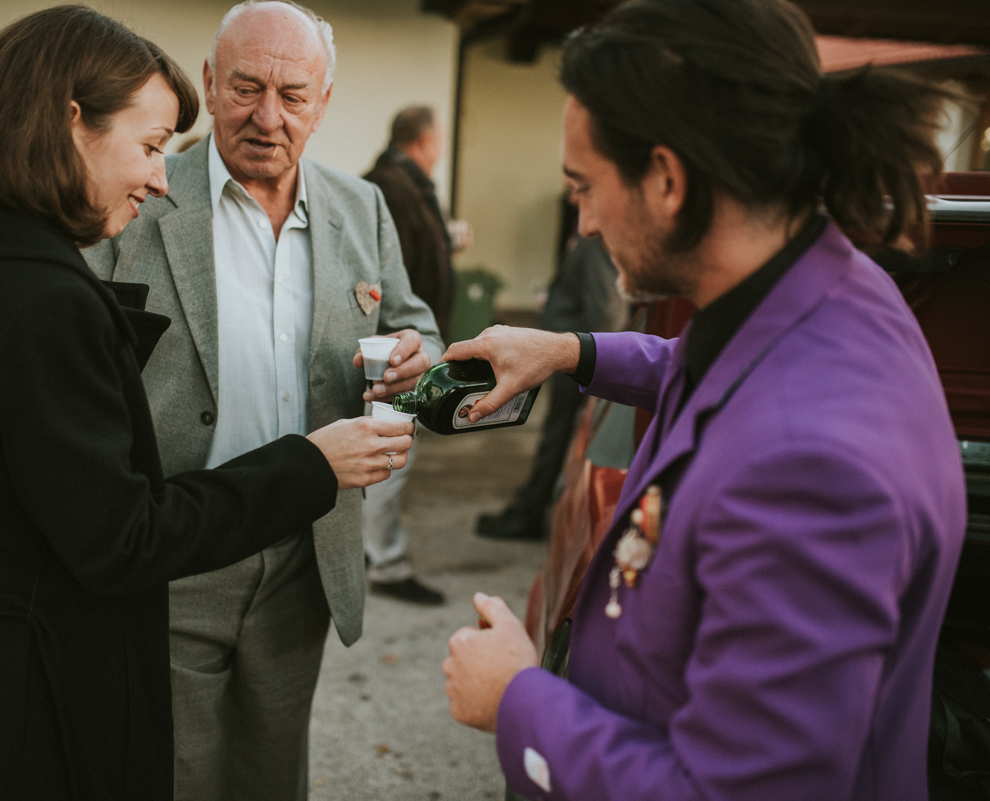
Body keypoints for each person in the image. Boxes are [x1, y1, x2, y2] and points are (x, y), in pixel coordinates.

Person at [0, 7, 412, 801]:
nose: (156, 173)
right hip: (94, 611)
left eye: (294, 92)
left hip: (277, 569)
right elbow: (118, 535)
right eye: (149, 146)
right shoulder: (55, 282)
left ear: (325, 99)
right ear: (74, 124)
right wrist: (310, 463)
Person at [440, 0, 967, 798]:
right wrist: (564, 350)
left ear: (667, 179)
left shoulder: (812, 467)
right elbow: (704, 368)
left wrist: (518, 700)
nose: (580, 223)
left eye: (583, 186)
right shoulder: (823, 287)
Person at [82, 2, 443, 798]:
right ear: (209, 84)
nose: (268, 116)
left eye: (294, 94)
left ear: (324, 101)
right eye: (246, 87)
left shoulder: (361, 207)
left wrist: (422, 361)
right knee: (169, 772)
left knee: (271, 774)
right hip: (175, 547)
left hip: (304, 552)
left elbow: (416, 325)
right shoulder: (139, 189)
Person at [359, 105, 465, 604]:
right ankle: (385, 562)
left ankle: (368, 549)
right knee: (389, 456)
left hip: (407, 344)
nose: (440, 150)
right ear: (425, 141)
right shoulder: (392, 191)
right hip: (394, 351)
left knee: (385, 453)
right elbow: (386, 278)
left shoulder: (401, 186)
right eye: (439, 140)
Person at [476, 234, 628, 541]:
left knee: (557, 437)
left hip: (578, 361)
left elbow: (606, 311)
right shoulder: (591, 238)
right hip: (576, 355)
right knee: (556, 435)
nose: (573, 196)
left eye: (580, 187)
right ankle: (528, 507)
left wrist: (598, 373)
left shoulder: (595, 241)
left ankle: (528, 513)